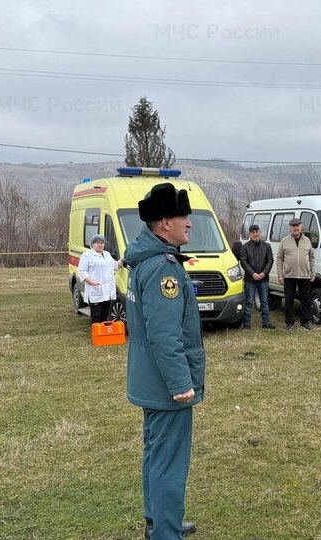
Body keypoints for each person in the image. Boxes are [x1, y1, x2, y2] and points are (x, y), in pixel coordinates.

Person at [124, 183, 203, 540]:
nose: (189, 223)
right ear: (166, 223)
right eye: (184, 216)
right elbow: (165, 334)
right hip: (165, 385)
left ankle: (158, 520)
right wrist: (181, 383)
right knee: (169, 460)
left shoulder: (147, 259)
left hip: (150, 379)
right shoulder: (163, 268)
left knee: (156, 453)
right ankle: (166, 532)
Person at [276, 218, 315, 330]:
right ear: (290, 228)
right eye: (293, 226)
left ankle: (305, 322)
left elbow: (311, 257)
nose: (296, 228)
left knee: (305, 299)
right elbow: (279, 258)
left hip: (304, 275)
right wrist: (280, 275)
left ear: (301, 227)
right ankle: (289, 322)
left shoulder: (307, 240)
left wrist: (312, 273)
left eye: (297, 225)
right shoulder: (284, 241)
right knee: (289, 300)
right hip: (289, 275)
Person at [77, 234, 122, 324]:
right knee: (96, 316)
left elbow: (115, 266)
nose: (100, 245)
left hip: (107, 291)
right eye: (98, 243)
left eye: (102, 243)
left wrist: (123, 260)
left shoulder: (107, 254)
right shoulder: (87, 255)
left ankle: (103, 332)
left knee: (105, 316)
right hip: (95, 290)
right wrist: (92, 282)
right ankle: (97, 331)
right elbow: (82, 271)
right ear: (92, 244)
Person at [239, 224, 274, 330]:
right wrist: (253, 273)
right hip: (250, 279)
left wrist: (263, 273)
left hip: (263, 279)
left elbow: (270, 261)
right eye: (252, 232)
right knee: (249, 302)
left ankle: (266, 323)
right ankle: (247, 324)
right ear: (250, 234)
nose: (255, 234)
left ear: (260, 232)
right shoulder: (244, 247)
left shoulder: (267, 246)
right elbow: (243, 262)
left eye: (256, 232)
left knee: (264, 302)